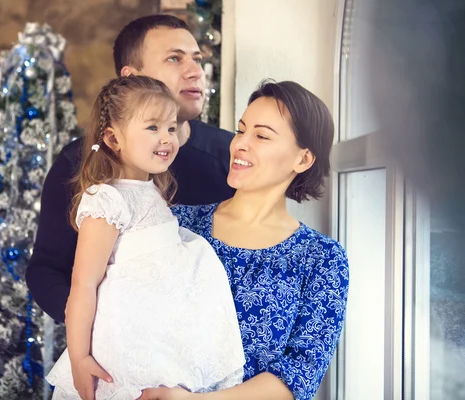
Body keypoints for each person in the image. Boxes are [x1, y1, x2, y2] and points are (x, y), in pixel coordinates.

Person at [140, 81, 350, 400]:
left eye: (262, 135)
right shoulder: (174, 222)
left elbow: (300, 374)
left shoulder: (322, 258)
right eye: (241, 130)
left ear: (303, 159)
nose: (240, 144)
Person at [45, 75, 245, 400]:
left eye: (171, 127)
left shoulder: (152, 189)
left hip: (158, 342)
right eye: (152, 128)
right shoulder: (107, 199)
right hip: (124, 349)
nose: (166, 138)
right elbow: (84, 283)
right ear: (113, 138)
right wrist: (80, 357)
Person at [26, 15, 235, 323]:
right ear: (131, 76)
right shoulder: (81, 161)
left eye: (197, 59)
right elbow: (47, 268)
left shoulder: (232, 156)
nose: (195, 72)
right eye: (174, 58)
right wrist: (104, 332)